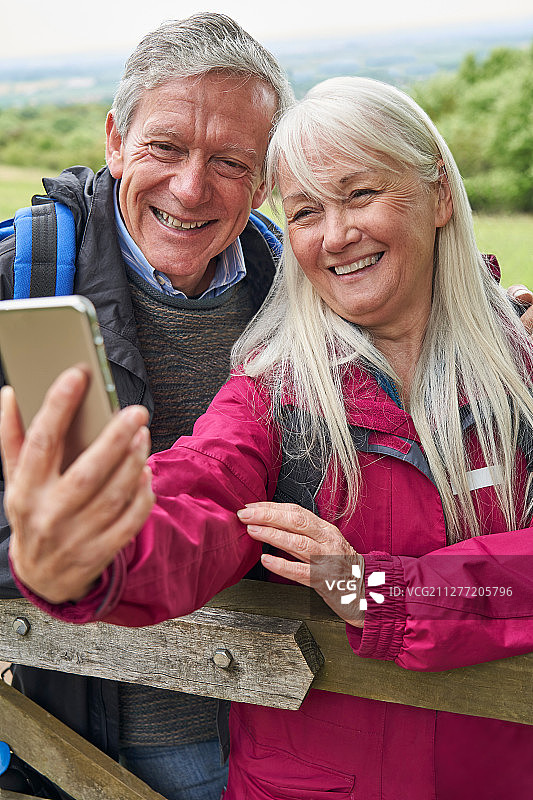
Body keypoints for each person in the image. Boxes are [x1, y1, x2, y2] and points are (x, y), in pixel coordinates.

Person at [4, 76, 533, 799]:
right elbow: (200, 492)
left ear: (439, 196)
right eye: (307, 210)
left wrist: (381, 592)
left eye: (359, 193)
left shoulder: (518, 373)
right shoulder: (273, 389)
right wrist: (94, 551)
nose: (335, 234)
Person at [0, 13, 293, 800]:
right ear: (115, 141)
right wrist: (47, 545)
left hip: (278, 723)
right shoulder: (23, 275)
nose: (191, 187)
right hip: (83, 737)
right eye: (165, 147)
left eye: (229, 160)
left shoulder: (291, 283)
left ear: (263, 181)